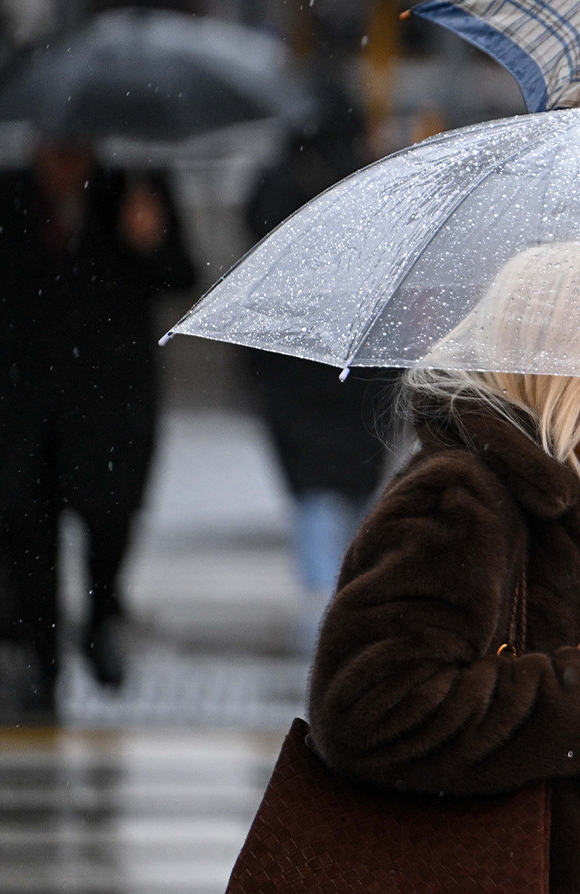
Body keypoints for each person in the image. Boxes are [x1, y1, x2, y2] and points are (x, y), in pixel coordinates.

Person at [305, 242, 580, 894]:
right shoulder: (464, 500)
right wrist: (575, 694)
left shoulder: (571, 512)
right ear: (571, 362)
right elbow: (366, 710)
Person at [0, 133, 196, 709]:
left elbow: (179, 275)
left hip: (110, 398)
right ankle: (42, 657)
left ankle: (101, 616)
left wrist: (150, 241)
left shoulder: (135, 185)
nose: (62, 163)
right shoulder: (1, 196)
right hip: (22, 397)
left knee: (111, 516)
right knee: (26, 528)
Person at [242, 90, 389, 653]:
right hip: (359, 379)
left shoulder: (279, 185)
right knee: (349, 511)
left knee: (315, 507)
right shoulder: (372, 187)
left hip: (293, 376)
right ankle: (341, 634)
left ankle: (325, 638)